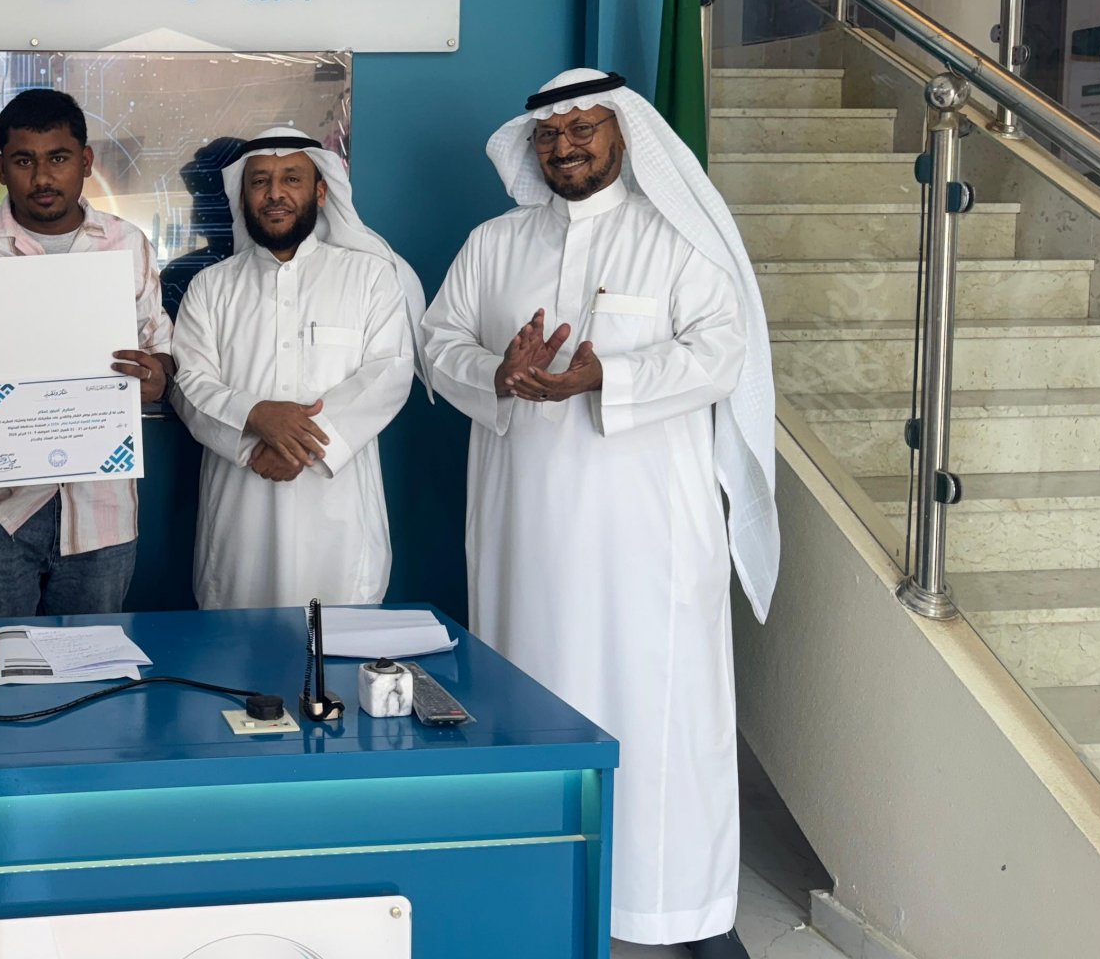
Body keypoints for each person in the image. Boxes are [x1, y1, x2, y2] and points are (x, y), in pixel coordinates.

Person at [420, 69, 778, 959]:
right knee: (530, 706)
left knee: (661, 720)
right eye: (548, 135)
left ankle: (680, 911)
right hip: (524, 539)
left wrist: (604, 376)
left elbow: (720, 354)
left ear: (623, 135)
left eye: (583, 129)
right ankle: (537, 900)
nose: (564, 146)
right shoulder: (493, 243)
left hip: (649, 541)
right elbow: (436, 343)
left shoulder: (677, 240)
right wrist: (495, 372)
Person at [0, 89, 175, 618]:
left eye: (59, 158)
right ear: (1, 169)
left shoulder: (127, 244)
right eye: (25, 161)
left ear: (86, 162)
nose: (43, 178)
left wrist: (157, 376)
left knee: (93, 660)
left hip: (101, 510)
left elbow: (159, 350)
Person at [170, 130, 425, 608]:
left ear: (321, 192)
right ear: (242, 196)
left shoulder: (370, 277)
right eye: (260, 182)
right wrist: (255, 420)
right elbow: (189, 385)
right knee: (239, 643)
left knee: (336, 643)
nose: (275, 194)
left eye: (291, 179)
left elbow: (389, 374)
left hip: (338, 512)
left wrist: (298, 443)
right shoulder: (210, 287)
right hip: (241, 514)